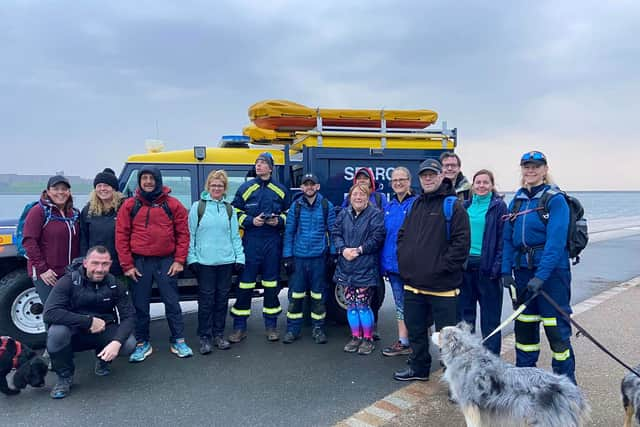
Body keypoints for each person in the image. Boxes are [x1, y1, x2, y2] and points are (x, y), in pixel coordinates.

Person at [501, 150, 576, 384]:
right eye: (526, 166)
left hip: (552, 276)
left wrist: (541, 277)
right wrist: (506, 272)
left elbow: (555, 244)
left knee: (556, 332)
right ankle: (525, 382)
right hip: (523, 273)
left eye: (536, 166)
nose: (530, 170)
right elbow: (507, 239)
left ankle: (566, 387)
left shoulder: (555, 200)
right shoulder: (517, 200)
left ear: (545, 169)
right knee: (524, 329)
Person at [394, 158, 470, 381]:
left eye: (432, 174)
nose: (428, 178)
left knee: (449, 338)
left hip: (442, 287)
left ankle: (454, 379)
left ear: (440, 176)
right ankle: (419, 369)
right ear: (419, 179)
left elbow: (461, 244)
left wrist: (440, 269)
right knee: (416, 331)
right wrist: (404, 263)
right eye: (424, 175)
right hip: (414, 285)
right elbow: (402, 236)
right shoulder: (416, 204)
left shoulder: (452, 206)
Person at [115, 166, 192, 361]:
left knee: (172, 302)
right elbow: (121, 236)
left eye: (152, 178)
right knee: (140, 305)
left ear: (158, 180)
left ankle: (178, 340)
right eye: (144, 178)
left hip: (166, 261)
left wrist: (179, 260)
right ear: (139, 181)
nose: (148, 182)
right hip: (139, 263)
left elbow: (183, 234)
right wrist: (127, 265)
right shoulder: (130, 205)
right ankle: (142, 343)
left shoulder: (173, 205)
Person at [43, 246, 136, 399]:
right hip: (74, 333)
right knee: (56, 333)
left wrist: (117, 342)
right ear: (85, 263)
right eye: (95, 263)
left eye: (105, 264)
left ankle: (103, 359)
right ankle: (64, 377)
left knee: (129, 344)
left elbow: (129, 316)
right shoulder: (68, 281)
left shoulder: (114, 284)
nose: (100, 269)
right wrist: (88, 321)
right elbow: (49, 313)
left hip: (102, 330)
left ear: (110, 264)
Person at [230, 152, 290, 342]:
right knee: (245, 284)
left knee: (271, 284)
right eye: (257, 163)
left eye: (263, 163)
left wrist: (278, 221)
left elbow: (290, 214)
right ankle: (239, 327)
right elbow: (235, 212)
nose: (258, 166)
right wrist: (249, 220)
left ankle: (271, 326)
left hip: (272, 241)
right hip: (251, 241)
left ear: (271, 168)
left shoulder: (280, 189)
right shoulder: (246, 188)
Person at [187, 170, 245, 354]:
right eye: (213, 185)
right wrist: (192, 258)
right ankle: (204, 337)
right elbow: (191, 235)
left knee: (221, 301)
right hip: (204, 263)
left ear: (224, 188)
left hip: (226, 262)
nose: (217, 188)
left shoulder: (230, 209)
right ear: (208, 187)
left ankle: (219, 334)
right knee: (206, 302)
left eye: (220, 185)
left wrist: (240, 257)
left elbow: (235, 236)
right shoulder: (198, 207)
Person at [281, 173, 336, 345]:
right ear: (302, 187)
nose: (309, 187)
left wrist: (333, 254)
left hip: (319, 258)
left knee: (319, 296)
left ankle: (318, 328)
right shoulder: (295, 206)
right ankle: (292, 330)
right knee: (295, 296)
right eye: (306, 184)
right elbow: (289, 233)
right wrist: (287, 256)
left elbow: (333, 232)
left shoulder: (327, 206)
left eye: (313, 184)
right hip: (299, 258)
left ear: (318, 187)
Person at [332, 184, 385, 355]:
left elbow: (377, 237)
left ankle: (367, 339)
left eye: (362, 194)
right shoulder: (343, 213)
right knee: (351, 305)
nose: (358, 197)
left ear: (368, 197)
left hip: (365, 267)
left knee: (363, 305)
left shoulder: (375, 214)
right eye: (355, 194)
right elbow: (336, 233)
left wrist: (360, 250)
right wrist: (343, 249)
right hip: (345, 266)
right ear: (350, 197)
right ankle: (355, 337)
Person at [458, 169, 507, 355]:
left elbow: (503, 240)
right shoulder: (465, 206)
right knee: (465, 319)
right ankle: (467, 359)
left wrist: (496, 268)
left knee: (490, 320)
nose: (481, 186)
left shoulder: (499, 207)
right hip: (466, 269)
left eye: (485, 182)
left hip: (488, 271)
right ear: (472, 185)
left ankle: (492, 362)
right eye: (478, 182)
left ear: (492, 185)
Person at [340, 167, 387, 339]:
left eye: (365, 178)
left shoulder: (380, 200)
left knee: (372, 296)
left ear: (371, 182)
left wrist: (362, 249)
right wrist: (344, 249)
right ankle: (357, 334)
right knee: (354, 302)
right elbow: (340, 228)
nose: (362, 181)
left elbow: (381, 231)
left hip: (372, 257)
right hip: (350, 260)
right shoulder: (346, 204)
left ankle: (371, 330)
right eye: (358, 178)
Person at [22, 175, 80, 306]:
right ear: (48, 191)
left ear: (69, 192)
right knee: (53, 311)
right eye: (56, 188)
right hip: (47, 274)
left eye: (64, 189)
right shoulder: (38, 211)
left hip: (68, 273)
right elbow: (29, 242)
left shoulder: (73, 213)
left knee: (68, 310)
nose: (60, 192)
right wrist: (43, 269)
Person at [380, 167, 417, 357]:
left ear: (409, 181)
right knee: (400, 305)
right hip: (392, 266)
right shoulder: (389, 206)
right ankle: (403, 342)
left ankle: (418, 342)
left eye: (402, 179)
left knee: (416, 305)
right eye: (395, 180)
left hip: (411, 266)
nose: (398, 183)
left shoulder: (416, 204)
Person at [80, 168, 124, 278]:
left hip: (119, 266)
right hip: (95, 267)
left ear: (114, 188)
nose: (102, 189)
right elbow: (83, 239)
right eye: (99, 186)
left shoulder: (124, 208)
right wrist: (85, 261)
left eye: (106, 186)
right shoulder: (88, 211)